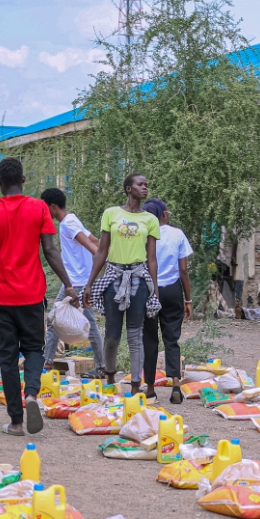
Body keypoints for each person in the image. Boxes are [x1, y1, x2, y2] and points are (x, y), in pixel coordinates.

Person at [0, 158, 76, 436]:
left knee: (7, 357)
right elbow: (50, 251)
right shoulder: (39, 208)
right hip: (32, 295)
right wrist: (68, 284)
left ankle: (15, 422)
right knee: (34, 350)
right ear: (23, 180)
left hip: (1, 297)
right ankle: (33, 396)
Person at [83, 173, 161, 396]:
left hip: (139, 278)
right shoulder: (111, 214)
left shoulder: (150, 220)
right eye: (140, 184)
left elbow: (152, 258)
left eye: (146, 184)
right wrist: (90, 283)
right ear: (129, 189)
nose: (145, 188)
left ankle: (136, 386)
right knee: (112, 335)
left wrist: (154, 291)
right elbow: (102, 250)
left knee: (135, 333)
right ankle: (109, 377)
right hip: (114, 276)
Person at [39, 188, 105, 377]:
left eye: (46, 208)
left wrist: (106, 261)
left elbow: (88, 243)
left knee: (63, 320)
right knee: (55, 320)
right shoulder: (72, 219)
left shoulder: (67, 223)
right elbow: (95, 240)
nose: (45, 213)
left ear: (52, 206)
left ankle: (100, 367)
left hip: (77, 282)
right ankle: (48, 364)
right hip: (76, 280)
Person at [141, 197, 193, 404]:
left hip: (149, 290)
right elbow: (183, 270)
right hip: (172, 290)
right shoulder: (177, 234)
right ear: (163, 214)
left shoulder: (143, 235)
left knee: (150, 340)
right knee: (171, 339)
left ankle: (151, 389)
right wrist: (187, 299)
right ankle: (175, 385)